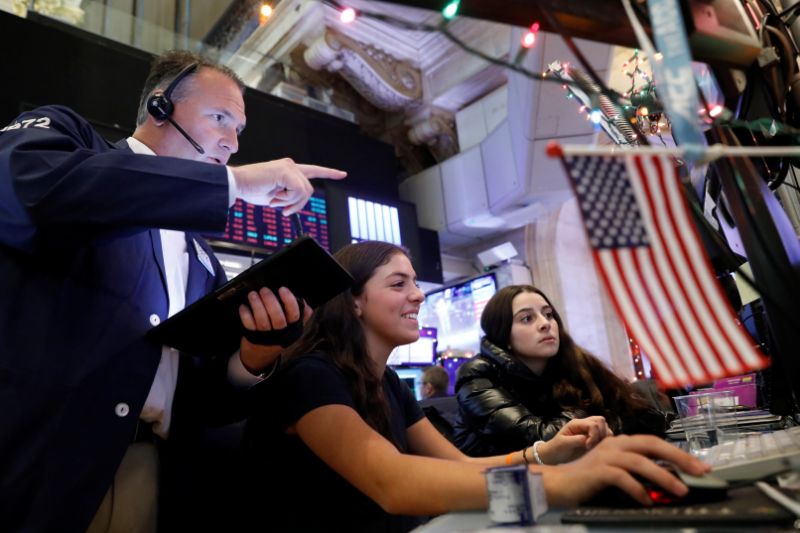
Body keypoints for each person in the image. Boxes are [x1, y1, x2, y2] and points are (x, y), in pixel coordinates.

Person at [0, 49, 345, 532]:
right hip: (40, 458)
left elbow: (202, 394)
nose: (231, 142)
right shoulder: (67, 138)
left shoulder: (200, 256)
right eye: (220, 118)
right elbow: (35, 191)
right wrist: (233, 184)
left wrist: (254, 353)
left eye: (239, 131)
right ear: (160, 107)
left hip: (152, 468)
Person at [241, 241, 708, 532]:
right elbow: (392, 484)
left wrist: (548, 453)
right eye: (399, 283)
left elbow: (461, 466)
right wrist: (563, 483)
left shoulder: (383, 381)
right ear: (355, 301)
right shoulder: (310, 375)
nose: (419, 295)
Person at [453, 284, 673, 457]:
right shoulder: (476, 374)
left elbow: (640, 416)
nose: (545, 324)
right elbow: (540, 439)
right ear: (504, 336)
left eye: (548, 314)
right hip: (497, 493)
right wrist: (606, 418)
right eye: (527, 318)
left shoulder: (573, 361)